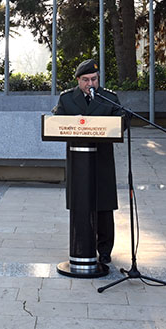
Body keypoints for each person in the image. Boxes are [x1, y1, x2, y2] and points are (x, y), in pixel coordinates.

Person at [52, 58, 124, 265]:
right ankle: (82, 245)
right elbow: (56, 121)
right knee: (81, 203)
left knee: (104, 204)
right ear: (78, 80)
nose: (90, 83)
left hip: (101, 159)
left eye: (94, 79)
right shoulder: (67, 99)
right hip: (78, 162)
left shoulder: (108, 98)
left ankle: (105, 250)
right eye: (86, 80)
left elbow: (121, 120)